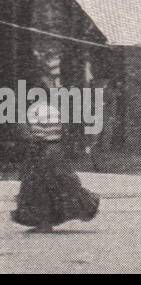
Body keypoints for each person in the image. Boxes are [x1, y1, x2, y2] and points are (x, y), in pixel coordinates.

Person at [11, 76, 100, 232]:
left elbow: (34, 136)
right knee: (59, 186)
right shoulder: (53, 109)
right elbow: (60, 132)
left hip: (42, 151)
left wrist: (22, 129)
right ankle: (78, 208)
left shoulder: (34, 110)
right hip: (56, 151)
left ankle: (43, 223)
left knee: (38, 188)